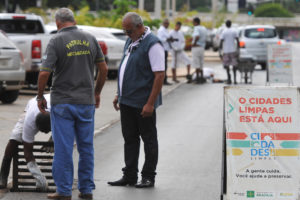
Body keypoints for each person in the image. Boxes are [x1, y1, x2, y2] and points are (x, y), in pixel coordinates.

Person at [37, 8, 108, 200]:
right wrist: (97, 92)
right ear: (73, 20)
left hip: (63, 103)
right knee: (86, 147)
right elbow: (103, 68)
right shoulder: (90, 38)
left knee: (64, 148)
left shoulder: (56, 41)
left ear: (58, 23)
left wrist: (40, 96)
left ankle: (64, 191)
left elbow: (44, 73)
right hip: (86, 102)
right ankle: (86, 190)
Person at [108, 12, 165, 188]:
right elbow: (127, 68)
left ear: (140, 27)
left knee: (148, 139)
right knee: (130, 138)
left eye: (129, 31)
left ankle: (148, 176)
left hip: (143, 102)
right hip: (127, 101)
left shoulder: (153, 44)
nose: (127, 34)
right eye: (125, 31)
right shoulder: (131, 40)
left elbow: (159, 75)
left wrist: (150, 103)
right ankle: (130, 175)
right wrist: (119, 93)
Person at [0, 94, 51, 191]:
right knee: (14, 139)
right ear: (36, 127)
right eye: (43, 131)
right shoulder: (29, 122)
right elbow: (27, 152)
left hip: (54, 103)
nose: (45, 133)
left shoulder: (60, 114)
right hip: (33, 106)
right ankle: (3, 176)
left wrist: (53, 138)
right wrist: (39, 176)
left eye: (48, 130)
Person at [219, 20, 240, 84]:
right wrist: (238, 49)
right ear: (231, 24)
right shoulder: (234, 31)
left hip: (226, 51)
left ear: (226, 24)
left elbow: (221, 41)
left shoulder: (224, 31)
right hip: (233, 50)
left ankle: (229, 79)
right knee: (234, 65)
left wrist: (220, 50)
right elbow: (237, 40)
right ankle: (235, 79)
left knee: (227, 65)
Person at [191, 17, 207, 84]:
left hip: (196, 47)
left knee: (196, 63)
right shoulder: (203, 28)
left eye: (193, 22)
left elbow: (197, 36)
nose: (192, 23)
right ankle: (201, 78)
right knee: (201, 63)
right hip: (202, 47)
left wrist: (194, 43)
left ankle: (197, 79)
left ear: (196, 22)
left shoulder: (196, 28)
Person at [157, 18, 172, 85]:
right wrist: (167, 39)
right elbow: (160, 39)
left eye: (168, 23)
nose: (167, 25)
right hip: (162, 49)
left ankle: (165, 79)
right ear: (163, 23)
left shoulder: (165, 30)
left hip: (166, 49)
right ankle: (163, 80)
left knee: (165, 65)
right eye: (166, 23)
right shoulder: (161, 30)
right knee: (163, 65)